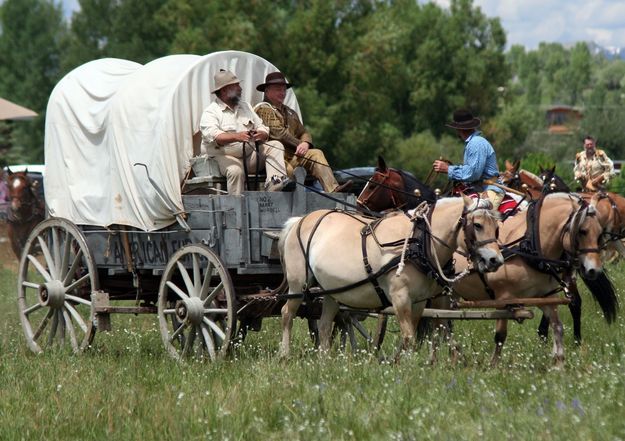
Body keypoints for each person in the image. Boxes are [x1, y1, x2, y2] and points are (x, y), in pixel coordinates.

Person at [254, 72, 352, 193]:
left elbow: (304, 132)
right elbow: (278, 133)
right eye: (278, 89)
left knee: (316, 153)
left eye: (284, 90)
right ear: (267, 91)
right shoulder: (263, 109)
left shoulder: (289, 112)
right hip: (276, 158)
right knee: (288, 171)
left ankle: (333, 189)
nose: (282, 93)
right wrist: (299, 143)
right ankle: (286, 204)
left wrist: (305, 143)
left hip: (293, 155)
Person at [199, 70, 292, 195]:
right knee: (235, 171)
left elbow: (262, 127)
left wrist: (261, 134)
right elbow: (215, 136)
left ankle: (274, 184)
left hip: (248, 156)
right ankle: (236, 208)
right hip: (222, 157)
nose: (240, 89)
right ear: (224, 91)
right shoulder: (211, 112)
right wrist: (237, 137)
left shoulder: (245, 107)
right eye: (236, 86)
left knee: (276, 145)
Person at [432, 109, 504, 210]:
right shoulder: (473, 143)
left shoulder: (476, 143)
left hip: (490, 190)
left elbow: (473, 173)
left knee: (478, 218)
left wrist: (448, 169)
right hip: (480, 189)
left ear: (459, 129)